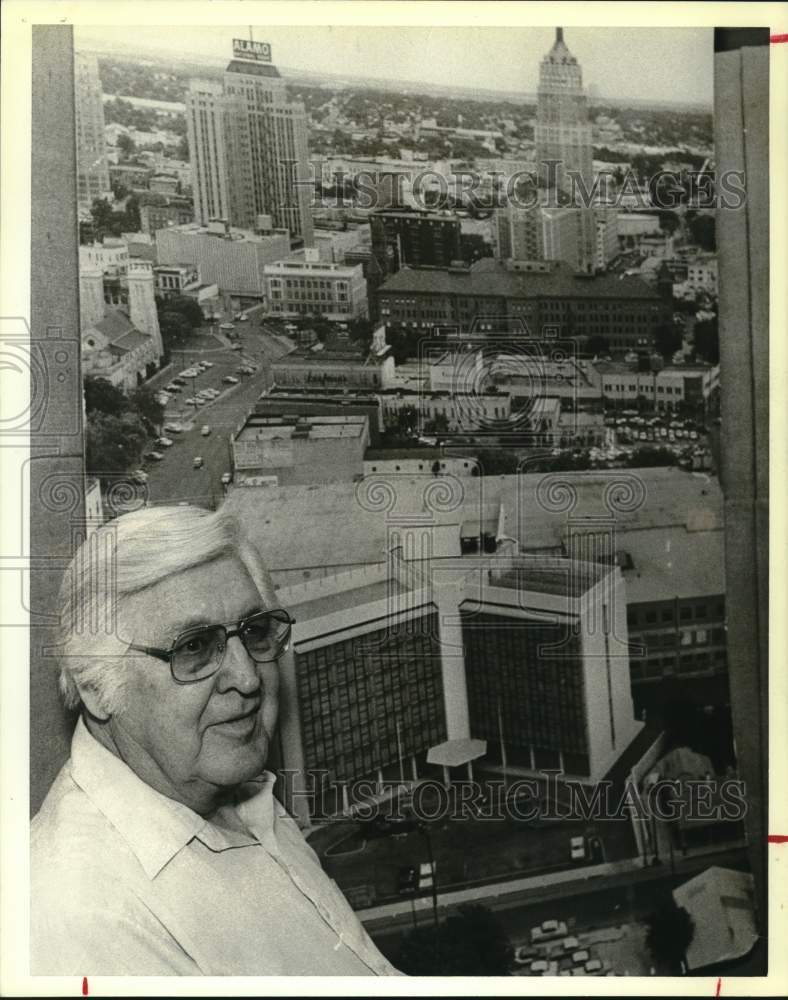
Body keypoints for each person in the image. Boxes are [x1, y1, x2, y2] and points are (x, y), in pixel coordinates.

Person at [32, 505, 400, 976]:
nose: (248, 679)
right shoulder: (84, 913)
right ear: (95, 686)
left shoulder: (232, 790)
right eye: (193, 648)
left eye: (255, 632)